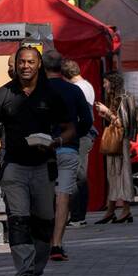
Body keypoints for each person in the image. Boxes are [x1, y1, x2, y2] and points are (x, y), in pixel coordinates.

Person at [0, 45, 73, 276]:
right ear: (15, 65)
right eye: (22, 62)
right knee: (18, 220)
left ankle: (36, 271)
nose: (26, 66)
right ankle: (23, 273)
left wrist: (56, 142)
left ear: (38, 64)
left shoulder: (50, 94)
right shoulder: (2, 95)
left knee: (44, 222)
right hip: (14, 168)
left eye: (31, 62)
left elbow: (70, 127)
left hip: (43, 166)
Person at [41, 49, 92, 260]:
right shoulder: (74, 91)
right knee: (63, 195)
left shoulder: (38, 90)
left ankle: (43, 240)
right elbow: (87, 121)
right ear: (61, 68)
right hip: (68, 148)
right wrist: (74, 136)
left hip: (42, 149)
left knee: (43, 195)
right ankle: (57, 244)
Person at [94, 71, 138, 224]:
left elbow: (123, 124)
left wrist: (107, 112)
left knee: (123, 174)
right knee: (113, 174)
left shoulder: (124, 98)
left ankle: (125, 209)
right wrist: (106, 114)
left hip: (121, 141)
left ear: (112, 83)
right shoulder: (115, 98)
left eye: (106, 82)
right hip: (115, 141)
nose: (104, 85)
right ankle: (111, 209)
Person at [62, 58, 96, 227]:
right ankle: (77, 215)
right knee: (79, 175)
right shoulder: (87, 85)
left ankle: (77, 216)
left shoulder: (77, 89)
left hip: (81, 136)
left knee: (78, 176)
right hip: (86, 135)